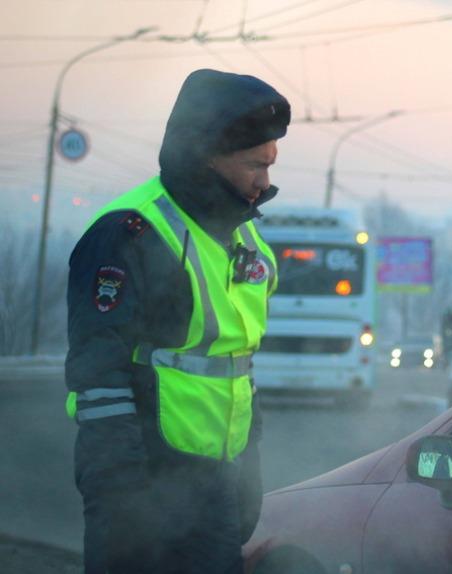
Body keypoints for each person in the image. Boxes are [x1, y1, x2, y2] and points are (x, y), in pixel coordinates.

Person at [64, 68, 290, 574]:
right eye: (255, 164)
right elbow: (99, 373)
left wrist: (247, 465)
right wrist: (122, 490)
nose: (265, 182)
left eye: (271, 164)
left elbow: (236, 368)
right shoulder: (129, 232)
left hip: (214, 480)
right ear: (206, 157)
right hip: (144, 479)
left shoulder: (247, 240)